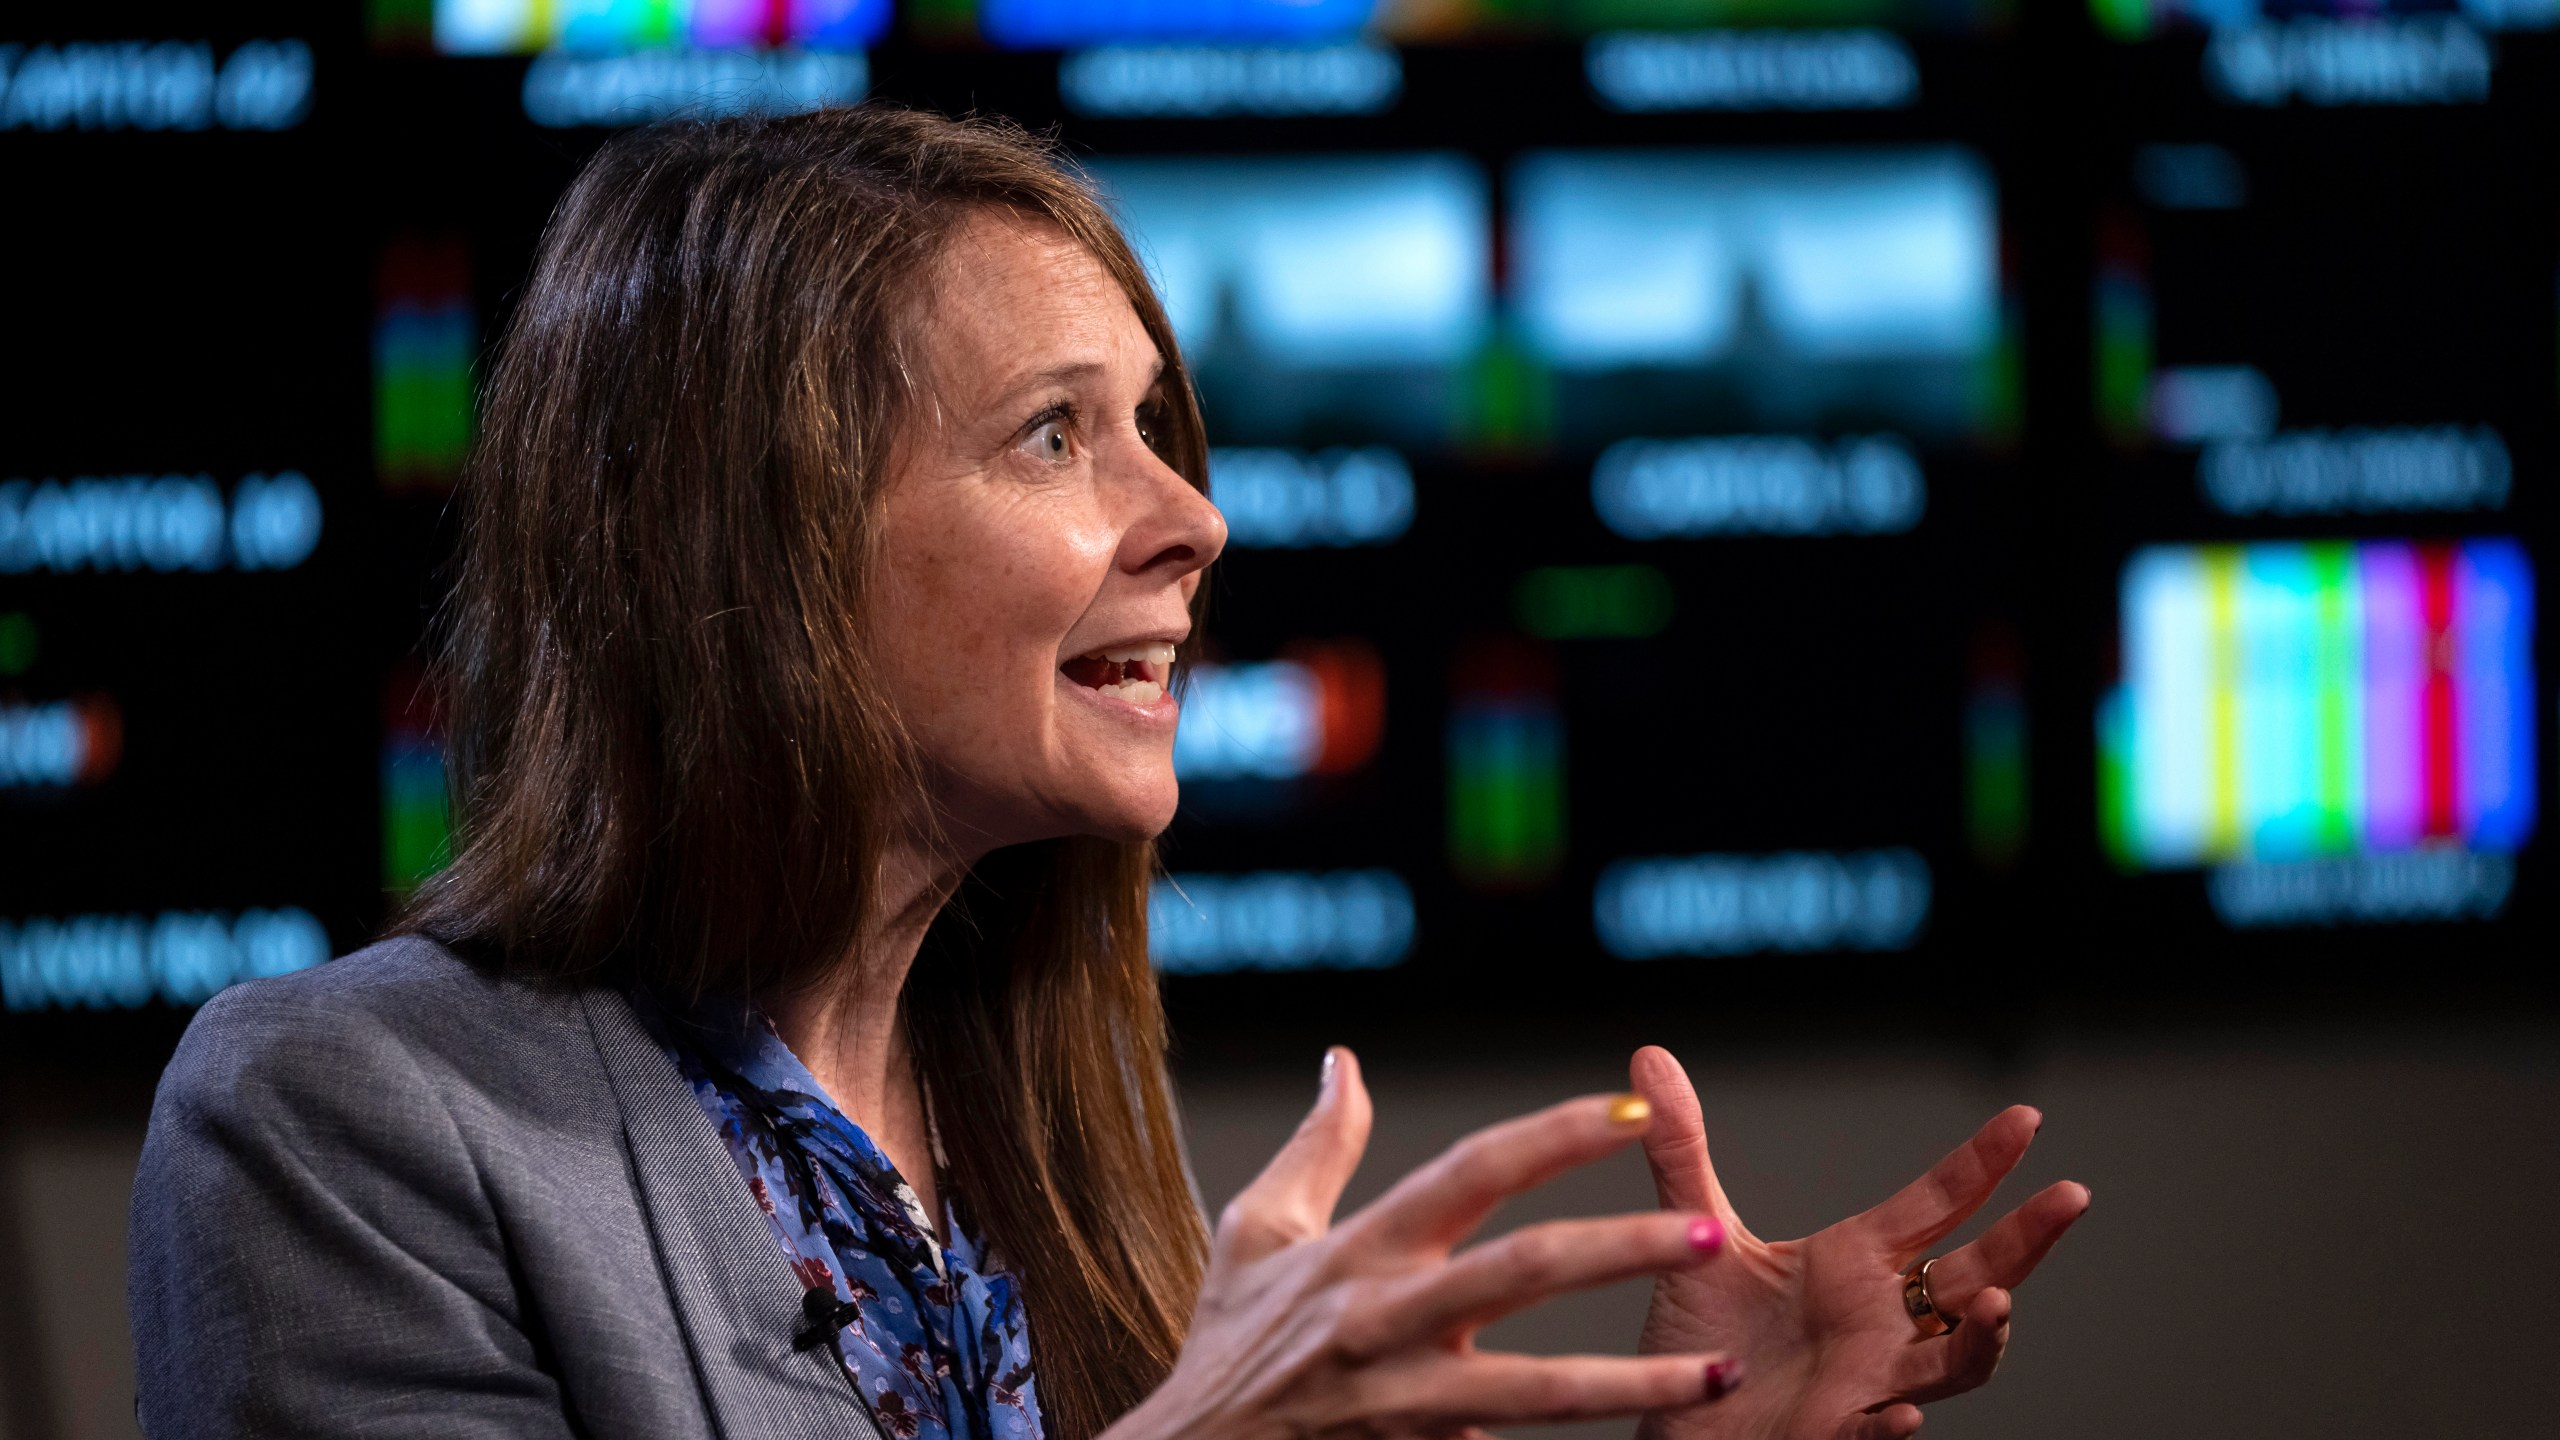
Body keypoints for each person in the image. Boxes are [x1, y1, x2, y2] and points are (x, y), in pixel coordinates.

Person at [128, 106, 2087, 1440]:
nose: (1192, 522)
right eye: (1056, 437)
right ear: (752, 539)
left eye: (1156, 427)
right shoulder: (338, 1118)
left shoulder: (1033, 1126)